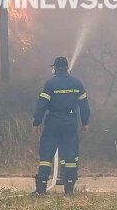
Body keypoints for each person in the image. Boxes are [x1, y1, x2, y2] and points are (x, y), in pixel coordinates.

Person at [32, 56, 90, 195]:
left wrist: (36, 122)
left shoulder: (50, 84)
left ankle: (41, 189)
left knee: (46, 155)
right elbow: (84, 106)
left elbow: (41, 105)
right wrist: (85, 122)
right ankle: (69, 189)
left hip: (53, 124)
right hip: (70, 124)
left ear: (55, 69)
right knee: (70, 155)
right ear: (67, 68)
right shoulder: (77, 84)